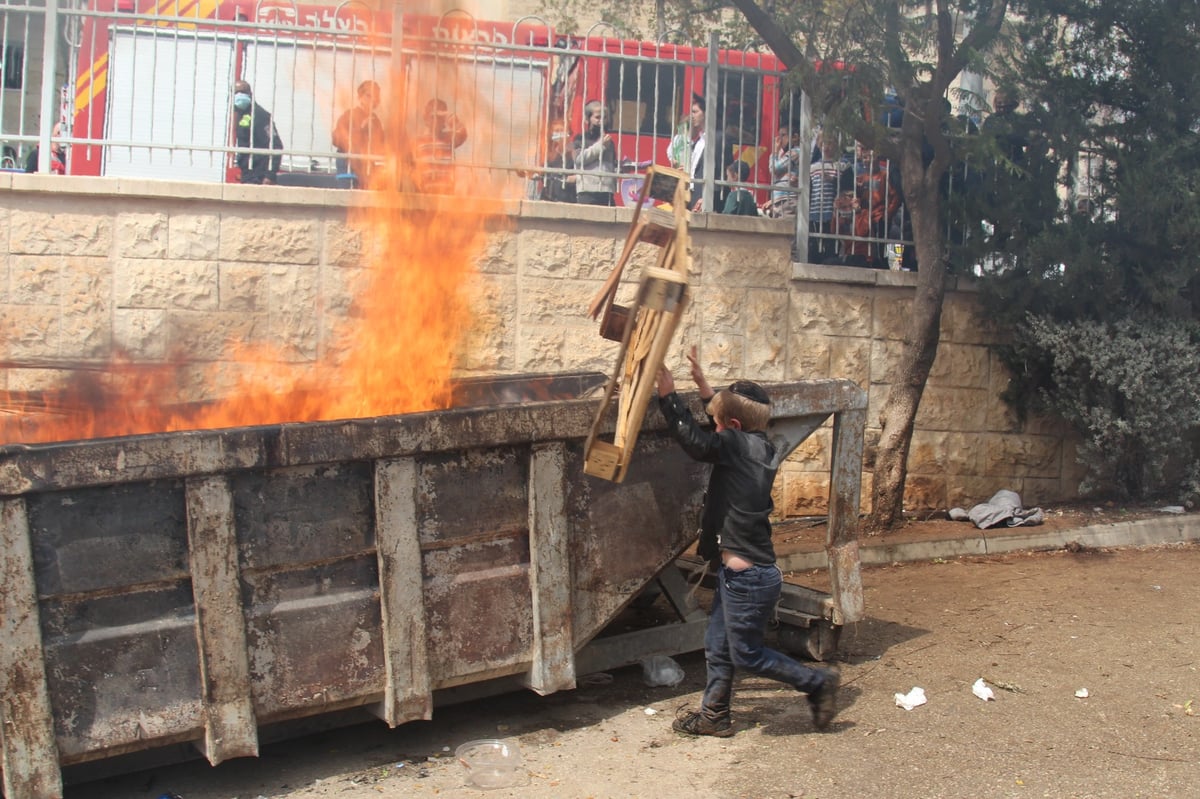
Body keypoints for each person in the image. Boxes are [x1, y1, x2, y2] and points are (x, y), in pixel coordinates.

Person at [655, 346, 840, 737]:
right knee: (718, 646)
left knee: (747, 655)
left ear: (733, 427)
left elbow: (695, 442)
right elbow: (725, 426)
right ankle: (714, 717)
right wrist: (707, 390)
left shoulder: (734, 445)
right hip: (742, 575)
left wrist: (668, 395)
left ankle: (816, 683)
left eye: (717, 423)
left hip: (748, 580)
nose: (713, 428)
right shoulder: (761, 445)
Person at [332, 79, 385, 188]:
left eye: (376, 97)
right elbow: (336, 139)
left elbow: (381, 145)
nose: (373, 100)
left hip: (367, 167)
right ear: (360, 97)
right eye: (369, 96)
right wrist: (360, 129)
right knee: (347, 198)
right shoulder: (349, 116)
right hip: (348, 164)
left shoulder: (376, 121)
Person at [232, 80, 284, 185]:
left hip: (259, 175)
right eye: (236, 92)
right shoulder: (240, 113)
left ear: (250, 94)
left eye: (243, 92)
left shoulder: (260, 116)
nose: (239, 95)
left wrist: (269, 175)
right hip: (247, 173)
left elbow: (276, 145)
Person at [413, 97, 468, 194]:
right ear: (426, 119)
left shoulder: (448, 138)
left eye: (439, 117)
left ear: (444, 121)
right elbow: (413, 167)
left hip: (446, 192)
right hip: (425, 193)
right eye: (432, 116)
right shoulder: (419, 142)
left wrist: (450, 118)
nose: (436, 121)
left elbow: (463, 134)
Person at [684, 95, 727, 213]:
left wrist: (708, 198)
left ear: (706, 114)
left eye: (695, 112)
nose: (691, 115)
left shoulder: (718, 138)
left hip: (704, 199)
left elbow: (721, 172)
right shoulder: (699, 140)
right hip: (691, 195)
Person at [572, 100, 617, 206]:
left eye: (604, 117)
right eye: (597, 118)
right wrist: (600, 146)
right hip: (587, 192)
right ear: (588, 119)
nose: (601, 121)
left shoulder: (610, 142)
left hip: (607, 191)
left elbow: (611, 167)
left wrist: (622, 168)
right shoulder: (580, 139)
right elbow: (578, 160)